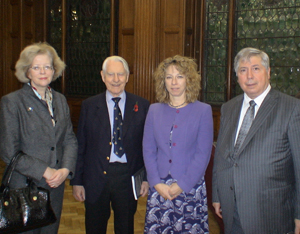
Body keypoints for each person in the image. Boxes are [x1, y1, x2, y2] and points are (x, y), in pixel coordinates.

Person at [212, 47, 300, 234]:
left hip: (271, 214)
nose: (249, 76)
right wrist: (217, 194)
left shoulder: (291, 108)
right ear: (237, 77)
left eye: (256, 68)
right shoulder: (228, 108)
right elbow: (220, 155)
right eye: (243, 70)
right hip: (232, 209)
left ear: (268, 72)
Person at [0, 42, 78, 233]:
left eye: (47, 66)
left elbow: (69, 139)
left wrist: (65, 169)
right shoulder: (12, 102)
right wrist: (45, 171)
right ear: (27, 72)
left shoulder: (59, 100)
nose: (43, 71)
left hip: (55, 188)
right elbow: (8, 152)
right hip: (24, 189)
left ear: (54, 69)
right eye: (36, 67)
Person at [71, 55, 150, 234]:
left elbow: (147, 146)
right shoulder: (89, 106)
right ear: (102, 76)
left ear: (127, 76)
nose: (116, 80)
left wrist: (145, 178)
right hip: (95, 177)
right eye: (111, 74)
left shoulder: (142, 105)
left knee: (125, 228)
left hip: (127, 177)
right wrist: (77, 181)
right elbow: (81, 145)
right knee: (94, 227)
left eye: (120, 74)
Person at [143, 55, 213, 233]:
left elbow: (203, 154)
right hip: (160, 188)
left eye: (179, 76)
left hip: (189, 187)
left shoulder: (203, 111)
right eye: (169, 77)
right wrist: (155, 183)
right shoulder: (153, 110)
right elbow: (148, 149)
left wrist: (181, 185)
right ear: (163, 81)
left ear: (189, 79)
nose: (174, 82)